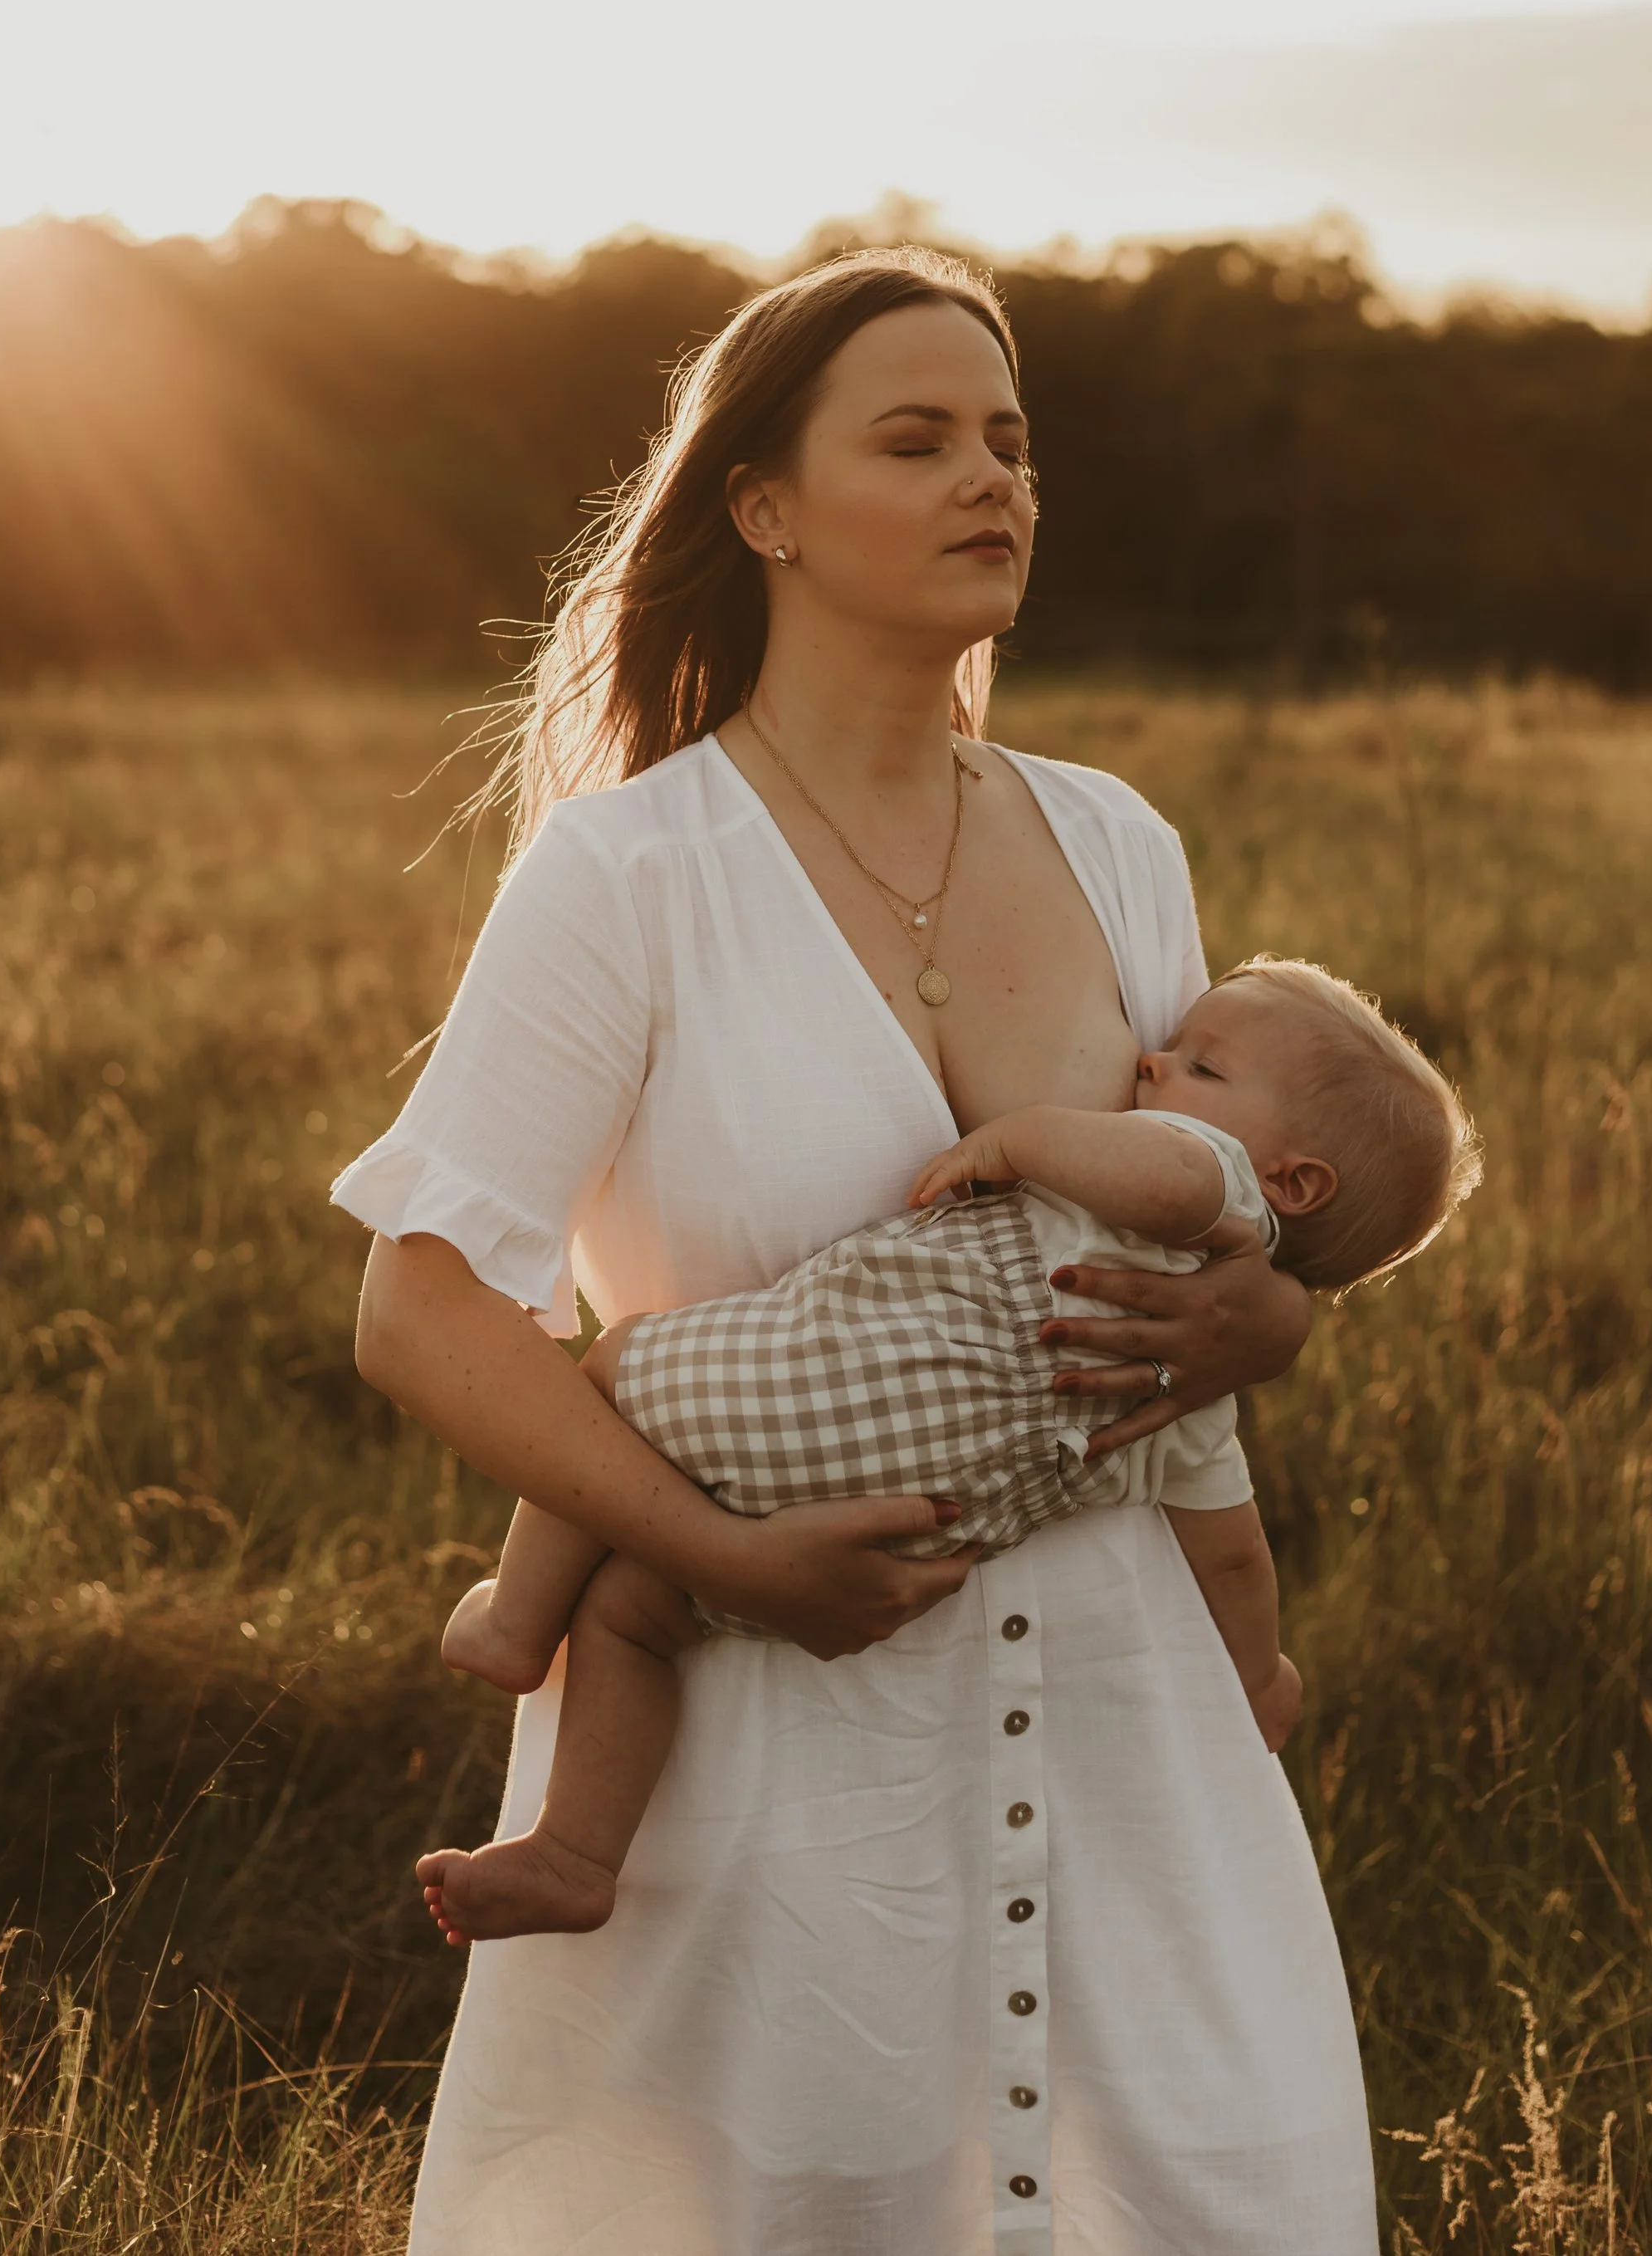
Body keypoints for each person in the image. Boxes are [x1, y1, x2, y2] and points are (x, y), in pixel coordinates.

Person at [340, 247, 1385, 2254]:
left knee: (1183, 2194)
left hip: (1130, 1745)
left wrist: (1266, 1318)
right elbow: (420, 1303)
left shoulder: (1118, 841)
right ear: (766, 506)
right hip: (753, 1750)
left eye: (1008, 438)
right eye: (915, 439)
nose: (990, 475)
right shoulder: (629, 872)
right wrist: (722, 1559)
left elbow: (1217, 1212)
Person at [417, 957, 1476, 1946]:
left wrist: (1016, 1142)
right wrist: (1257, 1676)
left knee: (614, 1370)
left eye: (1202, 1066)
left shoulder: (1206, 1187)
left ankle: (516, 1620)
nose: (1151, 1062)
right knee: (636, 1615)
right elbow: (1233, 1553)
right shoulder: (1191, 1398)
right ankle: (574, 1854)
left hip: (820, 1395)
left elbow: (1170, 1181)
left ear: (1288, 1187)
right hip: (912, 1526)